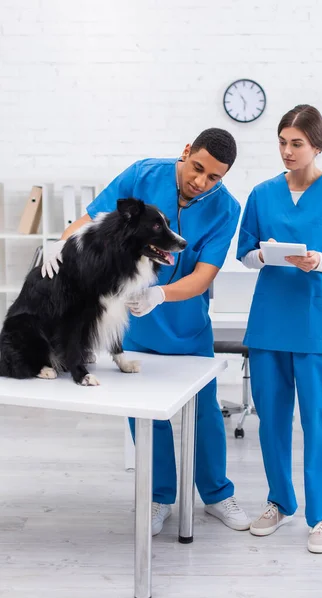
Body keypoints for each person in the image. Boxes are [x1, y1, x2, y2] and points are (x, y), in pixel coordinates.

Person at [42, 128, 251, 536]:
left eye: (214, 177)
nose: (201, 182)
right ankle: (159, 499)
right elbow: (94, 219)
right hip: (135, 329)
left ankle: (216, 495)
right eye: (198, 169)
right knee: (145, 417)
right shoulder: (142, 175)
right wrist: (58, 241)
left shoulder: (226, 209)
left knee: (205, 414)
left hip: (188, 329)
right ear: (186, 151)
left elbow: (204, 276)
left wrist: (159, 294)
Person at [236, 105, 322, 553]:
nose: (287, 151)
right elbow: (244, 254)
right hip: (270, 323)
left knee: (320, 422)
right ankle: (280, 502)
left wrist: (319, 261)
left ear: (317, 144)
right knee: (271, 421)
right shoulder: (262, 194)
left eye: (296, 143)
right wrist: (265, 255)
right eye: (281, 141)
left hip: (318, 323)